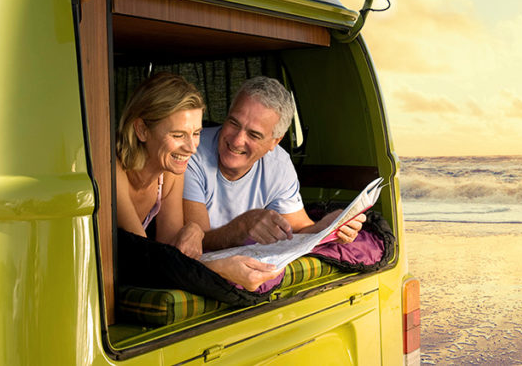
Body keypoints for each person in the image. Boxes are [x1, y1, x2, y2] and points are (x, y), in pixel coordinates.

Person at [116, 72, 283, 291]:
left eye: (196, 133)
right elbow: (149, 260)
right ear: (142, 130)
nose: (192, 147)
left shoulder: (170, 174)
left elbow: (170, 249)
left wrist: (194, 229)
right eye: (178, 135)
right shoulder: (113, 168)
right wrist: (218, 268)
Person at [182, 76, 364, 256]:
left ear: (274, 142)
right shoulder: (191, 152)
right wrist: (242, 226)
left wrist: (325, 228)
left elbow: (299, 230)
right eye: (233, 123)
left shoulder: (279, 164)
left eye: (254, 135)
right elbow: (198, 242)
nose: (237, 141)